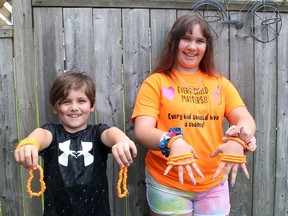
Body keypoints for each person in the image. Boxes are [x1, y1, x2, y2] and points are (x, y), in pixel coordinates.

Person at [132, 13, 256, 216]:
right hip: (168, 184)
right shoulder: (156, 82)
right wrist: (172, 141)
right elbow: (142, 130)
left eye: (199, 41)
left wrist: (239, 139)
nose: (192, 47)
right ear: (175, 42)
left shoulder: (220, 84)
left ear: (206, 47)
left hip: (214, 184)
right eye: (186, 39)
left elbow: (246, 119)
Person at [14, 71, 137, 216]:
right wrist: (30, 143)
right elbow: (41, 135)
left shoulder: (97, 133)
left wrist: (121, 140)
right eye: (66, 102)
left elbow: (111, 133)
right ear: (55, 107)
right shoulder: (52, 133)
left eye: (81, 101)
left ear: (92, 104)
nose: (74, 107)